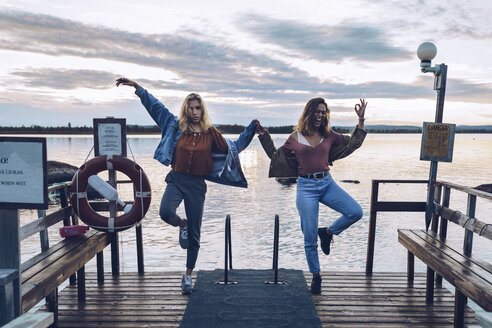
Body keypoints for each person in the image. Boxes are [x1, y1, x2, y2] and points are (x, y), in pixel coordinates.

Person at [116, 77, 256, 295]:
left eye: (198, 107)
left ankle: (188, 276)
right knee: (164, 212)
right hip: (177, 180)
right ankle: (182, 224)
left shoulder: (211, 133)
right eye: (190, 108)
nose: (194, 112)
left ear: (203, 110)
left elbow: (234, 148)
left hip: (197, 186)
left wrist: (251, 129)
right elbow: (156, 107)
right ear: (185, 110)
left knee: (195, 235)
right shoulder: (174, 125)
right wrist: (137, 88)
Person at [256, 97, 367, 294]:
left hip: (327, 183)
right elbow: (275, 156)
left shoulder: (330, 135)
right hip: (306, 187)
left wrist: (361, 120)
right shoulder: (294, 138)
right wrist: (264, 136)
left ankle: (328, 232)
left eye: (324, 112)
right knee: (309, 237)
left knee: (355, 212)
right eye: (317, 111)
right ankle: (316, 276)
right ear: (309, 113)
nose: (321, 115)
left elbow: (352, 143)